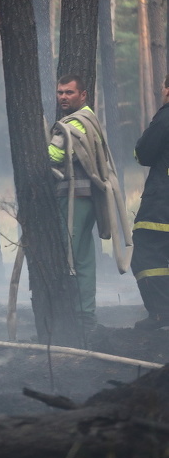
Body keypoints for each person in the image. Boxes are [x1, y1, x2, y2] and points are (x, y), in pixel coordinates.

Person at [48, 74, 130, 331]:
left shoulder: (75, 122)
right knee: (83, 258)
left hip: (74, 199)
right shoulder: (89, 119)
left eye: (69, 92)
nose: (63, 97)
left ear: (83, 95)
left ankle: (78, 316)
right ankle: (85, 314)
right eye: (60, 92)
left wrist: (37, 145)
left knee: (69, 257)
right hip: (85, 199)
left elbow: (54, 155)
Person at [130, 75, 169, 330]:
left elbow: (144, 152)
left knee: (147, 254)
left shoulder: (166, 117)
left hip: (162, 202)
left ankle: (161, 314)